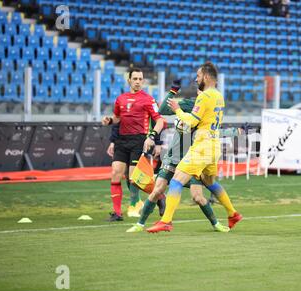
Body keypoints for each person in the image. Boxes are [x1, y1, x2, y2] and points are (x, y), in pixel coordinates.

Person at [126, 79, 244, 233]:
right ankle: (140, 224)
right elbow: (161, 109)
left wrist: (236, 132)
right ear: (199, 92)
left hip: (193, 159)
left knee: (198, 196)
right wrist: (173, 91)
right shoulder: (189, 104)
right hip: (174, 157)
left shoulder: (207, 110)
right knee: (157, 190)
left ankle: (216, 223)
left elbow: (215, 132)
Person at [101, 68, 167, 222]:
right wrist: (109, 121)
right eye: (135, 78)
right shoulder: (120, 99)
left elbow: (160, 121)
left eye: (140, 79)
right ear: (129, 80)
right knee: (116, 172)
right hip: (122, 141)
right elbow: (117, 118)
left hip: (139, 140)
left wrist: (152, 137)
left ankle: (160, 196)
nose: (138, 81)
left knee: (134, 179)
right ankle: (117, 213)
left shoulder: (149, 99)